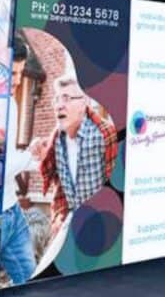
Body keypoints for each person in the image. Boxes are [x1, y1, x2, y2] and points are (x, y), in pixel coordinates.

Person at [32, 53, 117, 236]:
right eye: (57, 99)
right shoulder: (56, 140)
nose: (59, 105)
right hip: (69, 227)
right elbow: (58, 182)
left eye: (67, 98)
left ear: (84, 102)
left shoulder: (105, 135)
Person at [0, 36, 38, 286]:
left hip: (12, 209)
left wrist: (35, 157)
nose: (16, 81)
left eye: (20, 73)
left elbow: (11, 160)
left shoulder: (11, 103)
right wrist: (30, 157)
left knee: (29, 277)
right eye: (12, 73)